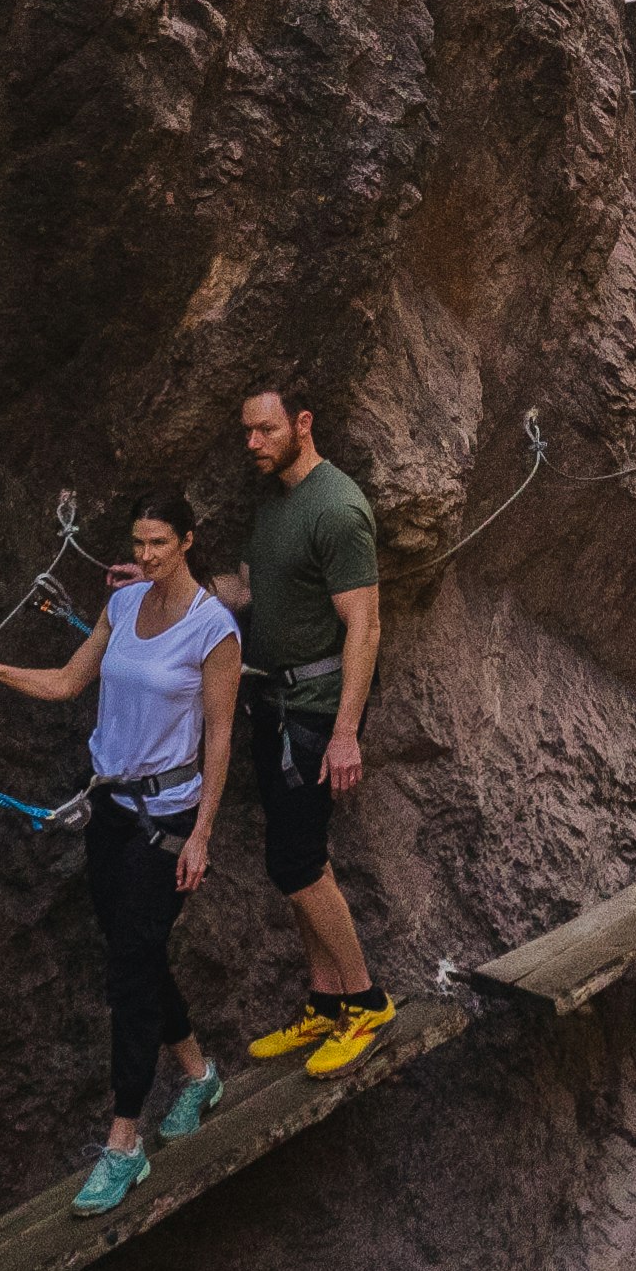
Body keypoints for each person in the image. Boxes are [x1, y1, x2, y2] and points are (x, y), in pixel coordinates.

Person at [0, 492, 240, 1213]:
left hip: (166, 820)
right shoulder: (123, 607)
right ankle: (199, 1076)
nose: (144, 555)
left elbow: (221, 736)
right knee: (132, 953)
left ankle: (122, 1142)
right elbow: (70, 682)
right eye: (138, 542)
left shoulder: (213, 628)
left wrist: (200, 835)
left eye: (159, 543)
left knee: (130, 975)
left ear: (188, 541)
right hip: (109, 809)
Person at [221, 385, 392, 1074]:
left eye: (264, 431)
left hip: (316, 712)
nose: (252, 444)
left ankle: (366, 1001)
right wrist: (156, 581)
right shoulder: (274, 508)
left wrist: (346, 730)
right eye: (247, 434)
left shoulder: (338, 509)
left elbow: (365, 624)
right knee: (292, 863)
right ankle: (324, 1006)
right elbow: (244, 594)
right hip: (272, 704)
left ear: (302, 424)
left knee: (297, 863)